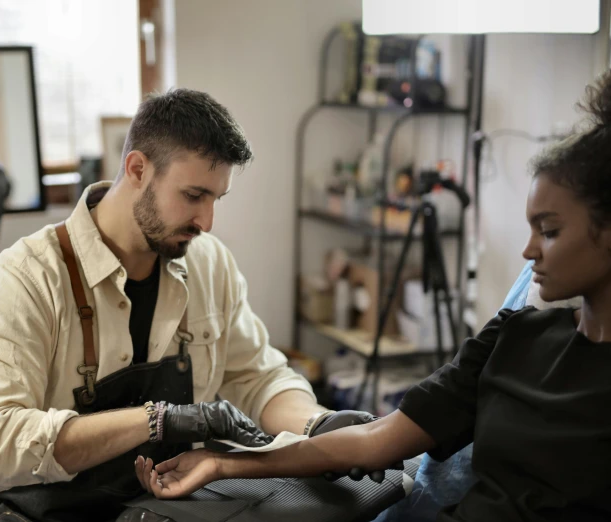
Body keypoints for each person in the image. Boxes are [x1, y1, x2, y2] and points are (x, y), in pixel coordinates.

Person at [138, 74, 611, 522]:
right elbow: (376, 439)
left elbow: (259, 375)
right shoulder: (514, 337)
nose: (528, 252)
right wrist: (224, 463)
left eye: (548, 232)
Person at [0, 88, 384, 522]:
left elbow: (258, 376)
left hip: (156, 508)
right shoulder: (25, 280)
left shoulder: (209, 263)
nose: (207, 222)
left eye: (217, 199)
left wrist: (316, 425)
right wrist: (160, 420)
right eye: (194, 195)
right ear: (138, 169)